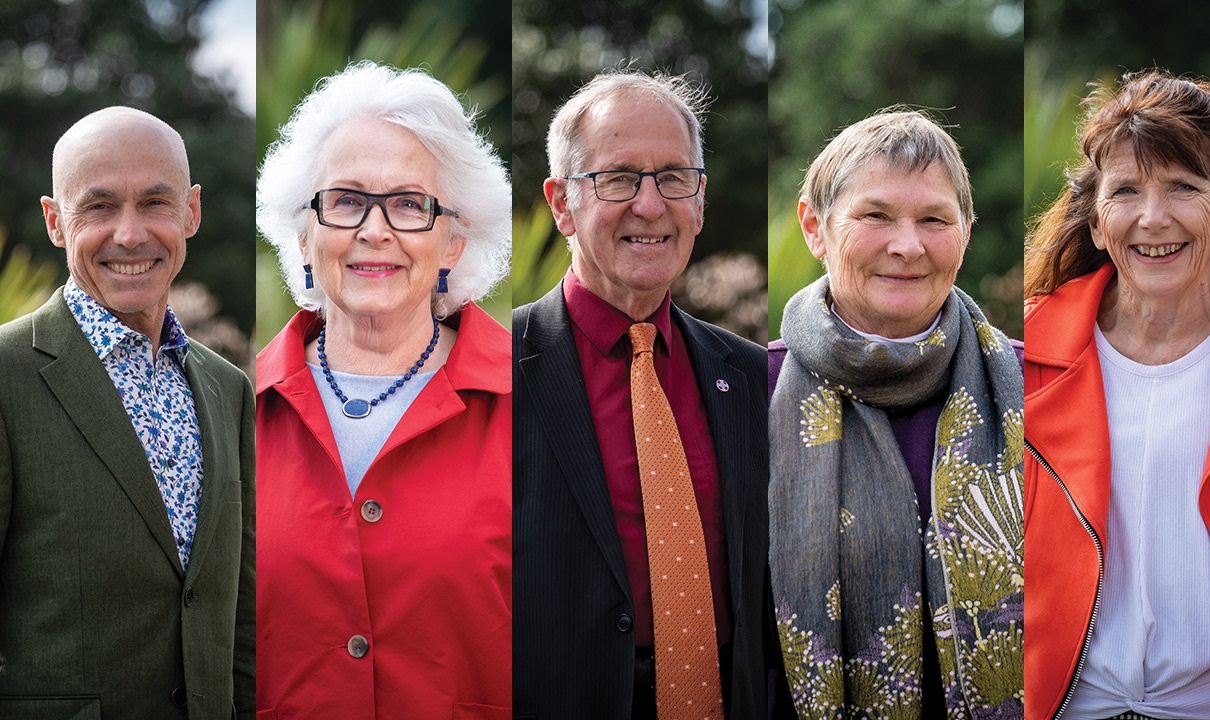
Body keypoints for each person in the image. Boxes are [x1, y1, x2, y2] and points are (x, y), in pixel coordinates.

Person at [513, 69, 782, 719]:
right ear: (560, 203)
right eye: (619, 178)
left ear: (699, 200)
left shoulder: (751, 377)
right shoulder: (493, 373)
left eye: (672, 177)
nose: (651, 204)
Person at [255, 61, 512, 718]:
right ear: (304, 232)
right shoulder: (229, 409)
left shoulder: (537, 403)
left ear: (453, 240)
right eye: (345, 200)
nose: (375, 230)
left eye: (408, 203)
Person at [1024, 70, 1210, 720]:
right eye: (1127, 191)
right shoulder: (1018, 357)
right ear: (1096, 223)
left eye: (1184, 188)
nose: (1153, 216)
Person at [768, 109, 1025, 717]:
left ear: (965, 232)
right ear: (814, 226)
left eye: (934, 219)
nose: (907, 246)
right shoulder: (753, 392)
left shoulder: (1034, 385)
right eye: (875, 216)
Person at [0, 107, 254, 717]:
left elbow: (239, 616)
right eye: (99, 206)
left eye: (155, 203)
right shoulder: (6, 375)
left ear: (191, 212)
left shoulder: (230, 390)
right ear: (55, 222)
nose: (131, 233)